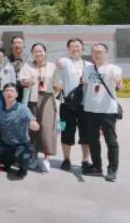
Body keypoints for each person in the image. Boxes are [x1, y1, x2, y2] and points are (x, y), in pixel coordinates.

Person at [81, 43, 123, 182]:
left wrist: (119, 84)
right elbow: (85, 84)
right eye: (94, 51)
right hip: (90, 110)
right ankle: (97, 167)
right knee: (93, 140)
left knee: (111, 141)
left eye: (99, 51)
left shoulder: (113, 68)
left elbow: (118, 81)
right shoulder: (88, 69)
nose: (96, 54)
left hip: (107, 111)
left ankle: (112, 169)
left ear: (106, 53)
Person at [54, 38, 92, 171]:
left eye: (78, 46)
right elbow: (57, 72)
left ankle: (85, 160)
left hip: (84, 106)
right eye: (72, 46)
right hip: (66, 105)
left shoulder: (89, 65)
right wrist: (57, 66)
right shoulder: (64, 61)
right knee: (65, 131)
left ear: (82, 48)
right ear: (68, 49)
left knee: (86, 133)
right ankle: (66, 159)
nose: (75, 49)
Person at [19, 43, 58, 173]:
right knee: (32, 127)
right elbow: (21, 80)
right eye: (35, 51)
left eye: (40, 51)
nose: (38, 53)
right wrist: (26, 81)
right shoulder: (27, 65)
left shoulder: (52, 66)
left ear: (45, 52)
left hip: (47, 98)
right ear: (32, 53)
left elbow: (58, 84)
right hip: (32, 97)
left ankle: (46, 159)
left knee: (47, 127)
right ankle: (33, 155)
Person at [0, 83, 40, 178]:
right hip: (5, 145)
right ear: (3, 93)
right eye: (7, 91)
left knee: (22, 156)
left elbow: (34, 124)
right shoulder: (1, 110)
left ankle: (23, 167)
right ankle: (8, 162)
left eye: (12, 91)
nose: (9, 93)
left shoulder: (23, 108)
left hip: (21, 145)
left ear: (16, 94)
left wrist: (33, 125)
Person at [8, 35, 26, 102]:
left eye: (19, 43)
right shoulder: (5, 61)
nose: (17, 45)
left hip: (25, 96)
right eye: (15, 43)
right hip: (9, 96)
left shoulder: (29, 61)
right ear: (11, 45)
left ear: (23, 45)